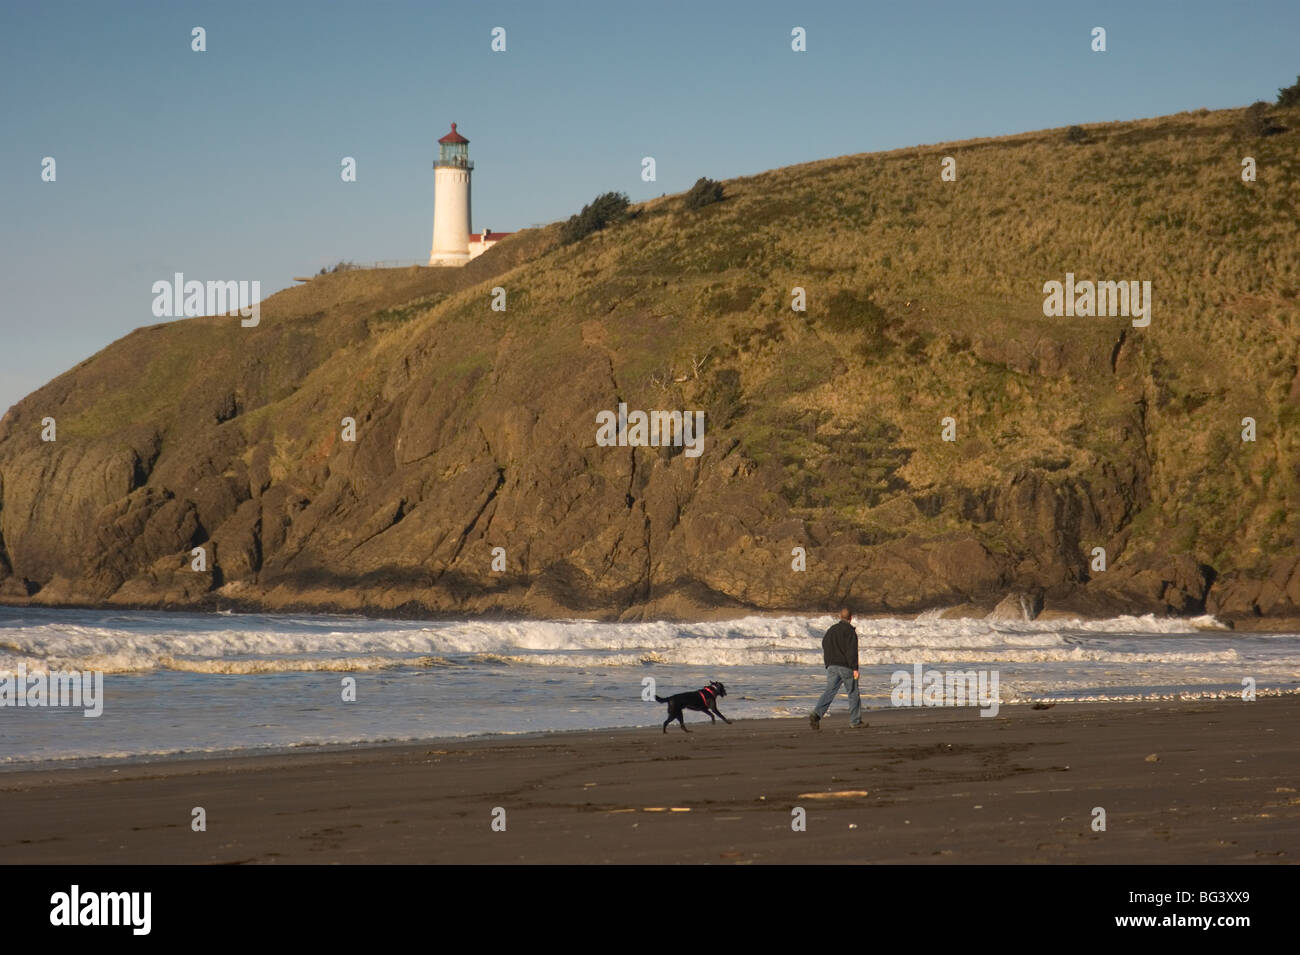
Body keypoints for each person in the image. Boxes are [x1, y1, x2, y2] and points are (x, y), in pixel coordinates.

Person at [809, 608, 864, 730]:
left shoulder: (831, 630)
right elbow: (852, 652)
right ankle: (855, 721)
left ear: (840, 617)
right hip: (846, 666)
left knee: (829, 691)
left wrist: (828, 662)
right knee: (853, 693)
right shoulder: (850, 632)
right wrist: (855, 668)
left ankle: (817, 714)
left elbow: (825, 644)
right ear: (851, 618)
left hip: (832, 666)